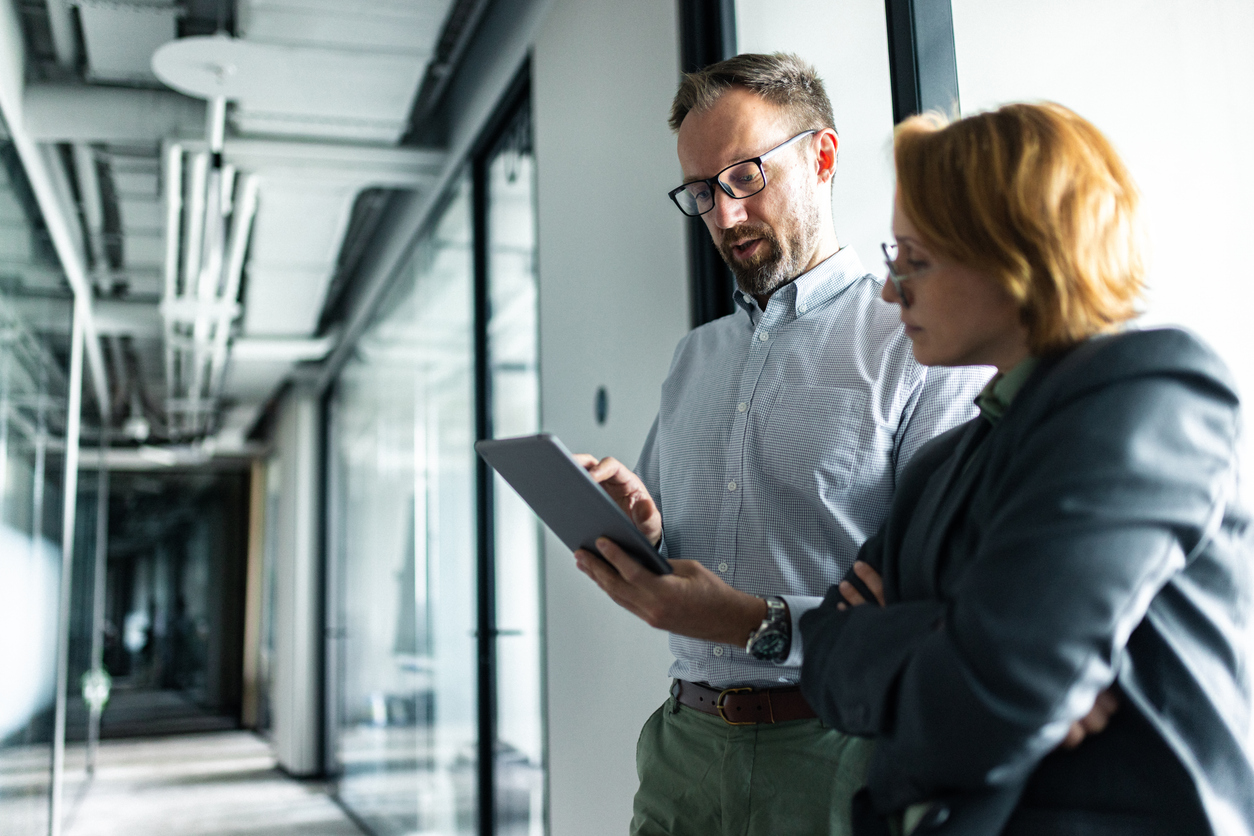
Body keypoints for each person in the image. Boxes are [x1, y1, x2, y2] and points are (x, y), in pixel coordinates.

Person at [799, 102, 1254, 836]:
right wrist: (951, 646)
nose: (891, 290)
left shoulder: (1150, 394)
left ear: (1019, 253)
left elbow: (988, 698)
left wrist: (940, 660)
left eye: (914, 259)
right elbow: (823, 654)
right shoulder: (944, 463)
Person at [571, 53, 989, 836]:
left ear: (822, 156)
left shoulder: (916, 342)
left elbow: (931, 605)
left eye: (745, 177)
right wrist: (644, 525)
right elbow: (673, 551)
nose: (725, 216)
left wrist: (750, 617)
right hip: (682, 752)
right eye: (702, 192)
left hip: (837, 750)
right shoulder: (693, 358)